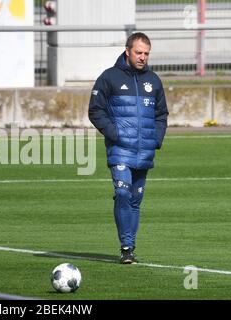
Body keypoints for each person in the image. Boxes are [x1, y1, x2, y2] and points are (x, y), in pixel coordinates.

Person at [88, 32, 168, 264]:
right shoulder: (109, 77)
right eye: (139, 52)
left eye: (146, 53)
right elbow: (95, 110)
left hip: (144, 151)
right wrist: (116, 134)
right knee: (122, 193)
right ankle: (125, 245)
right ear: (128, 51)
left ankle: (129, 249)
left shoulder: (153, 80)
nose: (143, 57)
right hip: (120, 150)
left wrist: (156, 139)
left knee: (135, 200)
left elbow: (161, 114)